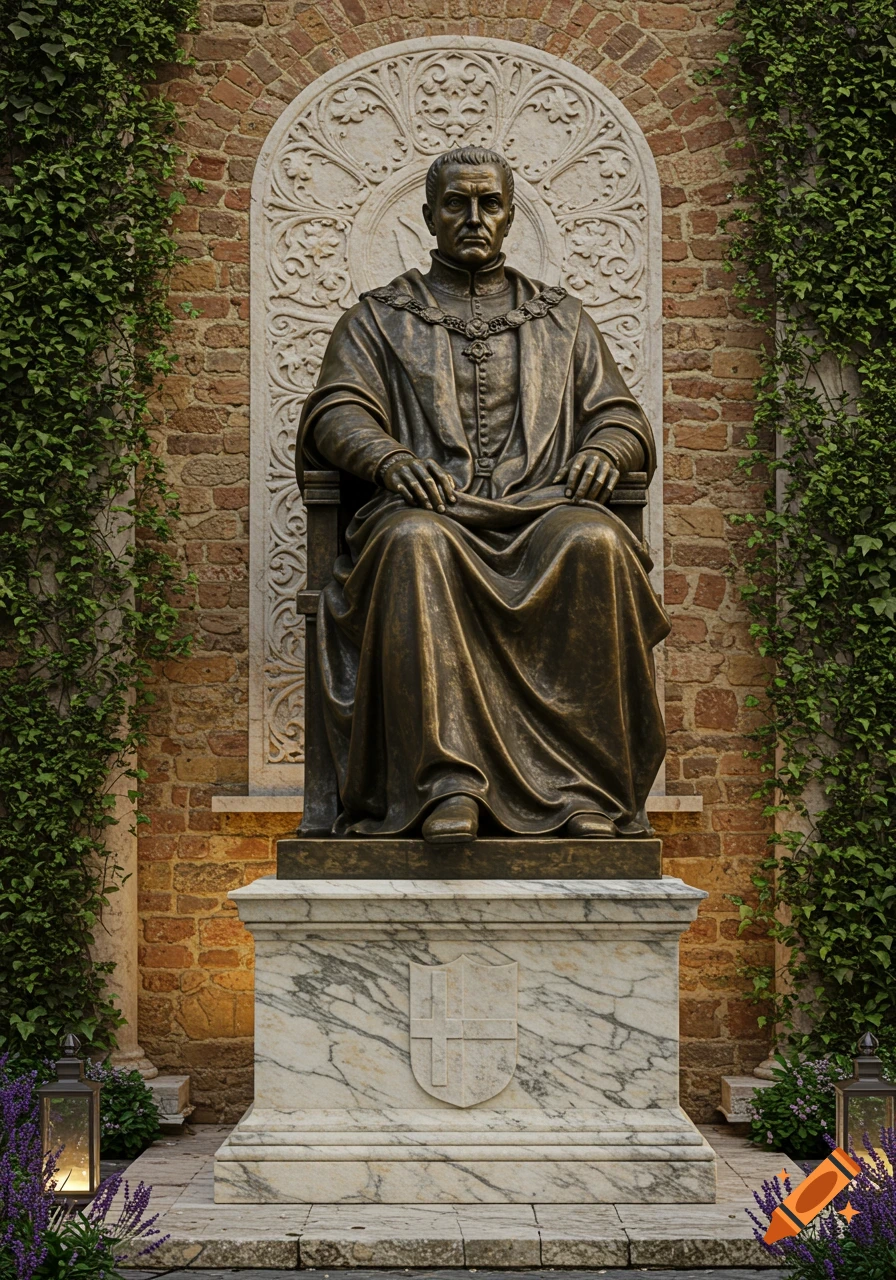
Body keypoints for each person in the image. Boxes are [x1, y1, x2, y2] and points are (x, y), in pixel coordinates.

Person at [297, 146, 669, 844]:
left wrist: (604, 450)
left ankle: (581, 789)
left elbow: (619, 415)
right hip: (430, 509)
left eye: (489, 203)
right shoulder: (378, 318)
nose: (473, 217)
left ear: (509, 215)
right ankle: (444, 786)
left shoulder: (563, 320)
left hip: (542, 508)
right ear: (429, 216)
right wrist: (388, 458)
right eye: (456, 203)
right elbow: (336, 411)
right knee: (415, 543)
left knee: (596, 541)